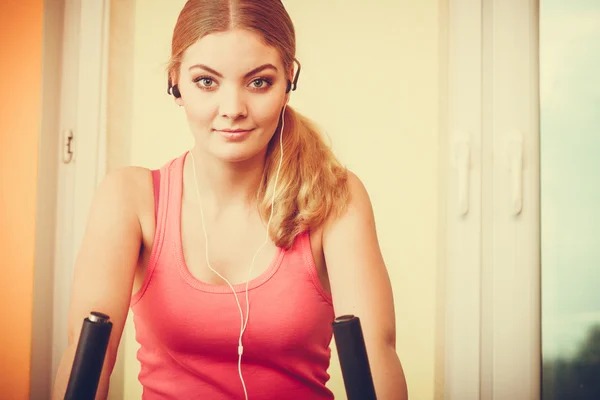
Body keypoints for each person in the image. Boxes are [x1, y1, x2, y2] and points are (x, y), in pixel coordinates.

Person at [52, 0, 408, 399]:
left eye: (259, 82)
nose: (233, 109)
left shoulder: (336, 197)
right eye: (206, 81)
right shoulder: (129, 199)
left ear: (289, 79)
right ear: (176, 83)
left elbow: (376, 353)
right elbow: (84, 356)